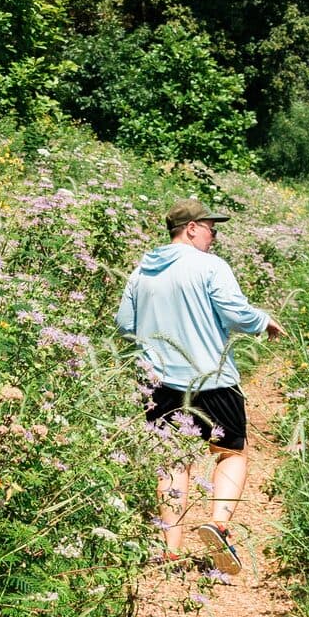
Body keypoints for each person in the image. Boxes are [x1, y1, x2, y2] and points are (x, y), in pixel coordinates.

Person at [115, 199, 282, 574]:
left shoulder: (142, 269)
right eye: (211, 228)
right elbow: (234, 311)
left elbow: (125, 323)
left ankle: (169, 550)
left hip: (158, 381)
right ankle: (219, 524)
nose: (215, 236)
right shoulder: (210, 266)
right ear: (191, 228)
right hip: (213, 378)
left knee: (173, 460)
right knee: (231, 452)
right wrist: (263, 322)